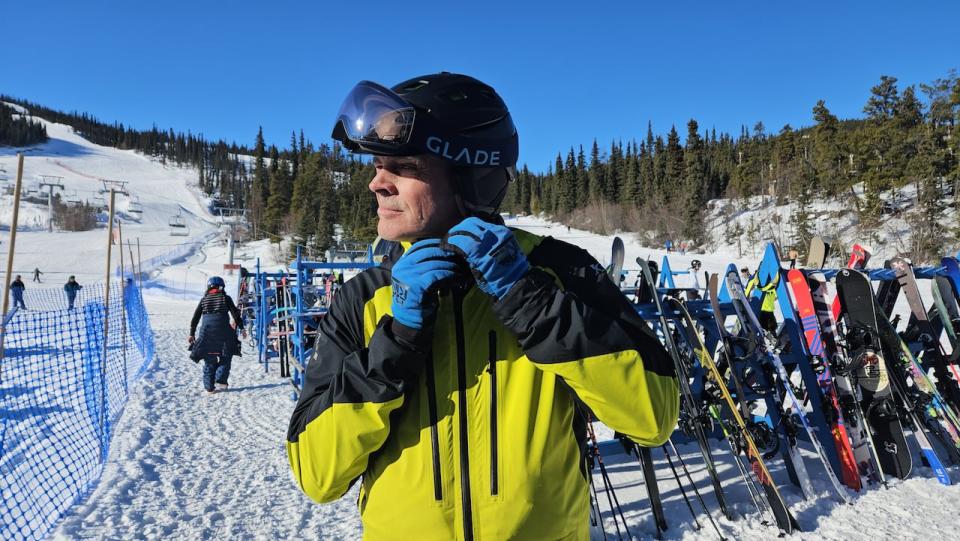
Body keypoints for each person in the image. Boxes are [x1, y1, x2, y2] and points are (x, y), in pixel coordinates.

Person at [286, 72, 679, 540]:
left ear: (473, 173)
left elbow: (654, 418)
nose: (377, 184)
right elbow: (317, 475)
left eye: (404, 166)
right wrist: (395, 342)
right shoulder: (365, 299)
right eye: (375, 166)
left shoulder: (558, 273)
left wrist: (529, 301)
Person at [188, 276, 245, 394]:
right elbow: (235, 314)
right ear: (221, 287)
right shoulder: (225, 298)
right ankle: (221, 381)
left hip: (207, 335)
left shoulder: (204, 300)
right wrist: (242, 328)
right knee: (226, 356)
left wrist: (192, 334)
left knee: (209, 360)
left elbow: (195, 318)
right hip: (224, 334)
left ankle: (209, 388)